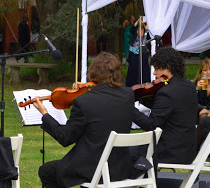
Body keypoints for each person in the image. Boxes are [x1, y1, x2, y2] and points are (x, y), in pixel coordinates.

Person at [33, 52, 135, 187]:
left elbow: (65, 138)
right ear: (117, 73)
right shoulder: (128, 95)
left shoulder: (83, 102)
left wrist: (45, 114)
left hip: (92, 168)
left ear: (93, 72)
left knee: (46, 171)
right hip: (121, 167)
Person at [132, 47, 198, 164]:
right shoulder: (189, 86)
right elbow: (171, 110)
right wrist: (144, 97)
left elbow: (151, 125)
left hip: (168, 151)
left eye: (157, 68)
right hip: (187, 150)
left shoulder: (167, 92)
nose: (154, 73)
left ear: (168, 67)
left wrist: (129, 108)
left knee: (124, 151)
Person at [125, 16, 150, 87]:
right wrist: (138, 20)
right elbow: (132, 30)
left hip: (143, 51)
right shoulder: (135, 29)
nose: (141, 22)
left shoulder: (146, 30)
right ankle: (132, 84)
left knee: (144, 67)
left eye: (142, 21)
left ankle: (145, 83)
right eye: (140, 21)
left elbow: (149, 38)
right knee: (133, 67)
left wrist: (146, 28)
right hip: (134, 51)